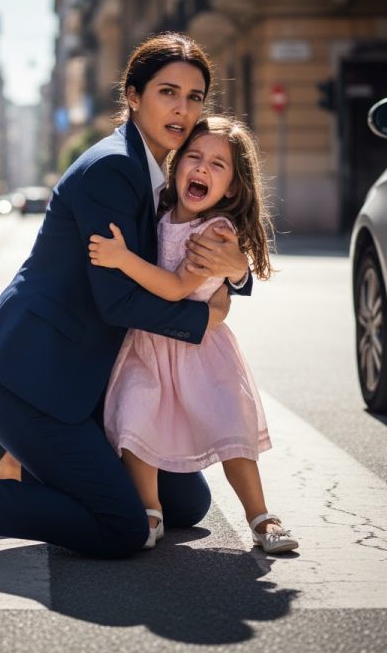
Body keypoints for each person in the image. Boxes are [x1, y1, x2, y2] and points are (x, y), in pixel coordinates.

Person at [0, 33, 252, 558]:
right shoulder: (112, 169)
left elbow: (209, 241)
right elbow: (117, 302)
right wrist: (205, 320)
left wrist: (236, 275)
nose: (182, 108)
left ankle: (16, 459)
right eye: (168, 92)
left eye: (195, 97)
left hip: (82, 380)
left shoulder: (165, 171)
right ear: (132, 95)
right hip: (27, 378)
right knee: (122, 528)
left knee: (185, 503)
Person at [89, 115, 298, 553]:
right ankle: (150, 512)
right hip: (147, 347)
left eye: (218, 165)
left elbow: (178, 288)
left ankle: (260, 516)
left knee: (230, 428)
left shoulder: (215, 232)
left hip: (200, 351)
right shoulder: (160, 210)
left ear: (234, 189)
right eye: (195, 157)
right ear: (177, 164)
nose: (202, 168)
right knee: (136, 420)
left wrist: (122, 259)